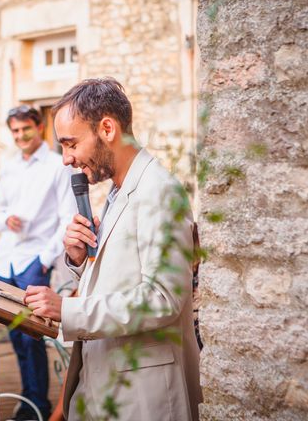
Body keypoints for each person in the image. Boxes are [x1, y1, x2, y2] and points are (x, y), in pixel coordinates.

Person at [24, 78, 203, 420]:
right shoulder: (119, 190)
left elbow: (162, 298)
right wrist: (80, 258)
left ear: (107, 128)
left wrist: (68, 309)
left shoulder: (159, 192)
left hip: (143, 397)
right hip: (102, 387)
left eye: (70, 143)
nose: (66, 159)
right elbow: (122, 276)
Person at [0, 106, 76, 420]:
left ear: (39, 127)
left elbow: (67, 219)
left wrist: (43, 259)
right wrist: (4, 220)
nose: (20, 136)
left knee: (32, 336)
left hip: (33, 261)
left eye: (25, 129)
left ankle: (36, 403)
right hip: (6, 261)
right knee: (14, 335)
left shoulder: (57, 166)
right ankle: (27, 397)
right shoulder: (9, 165)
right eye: (14, 131)